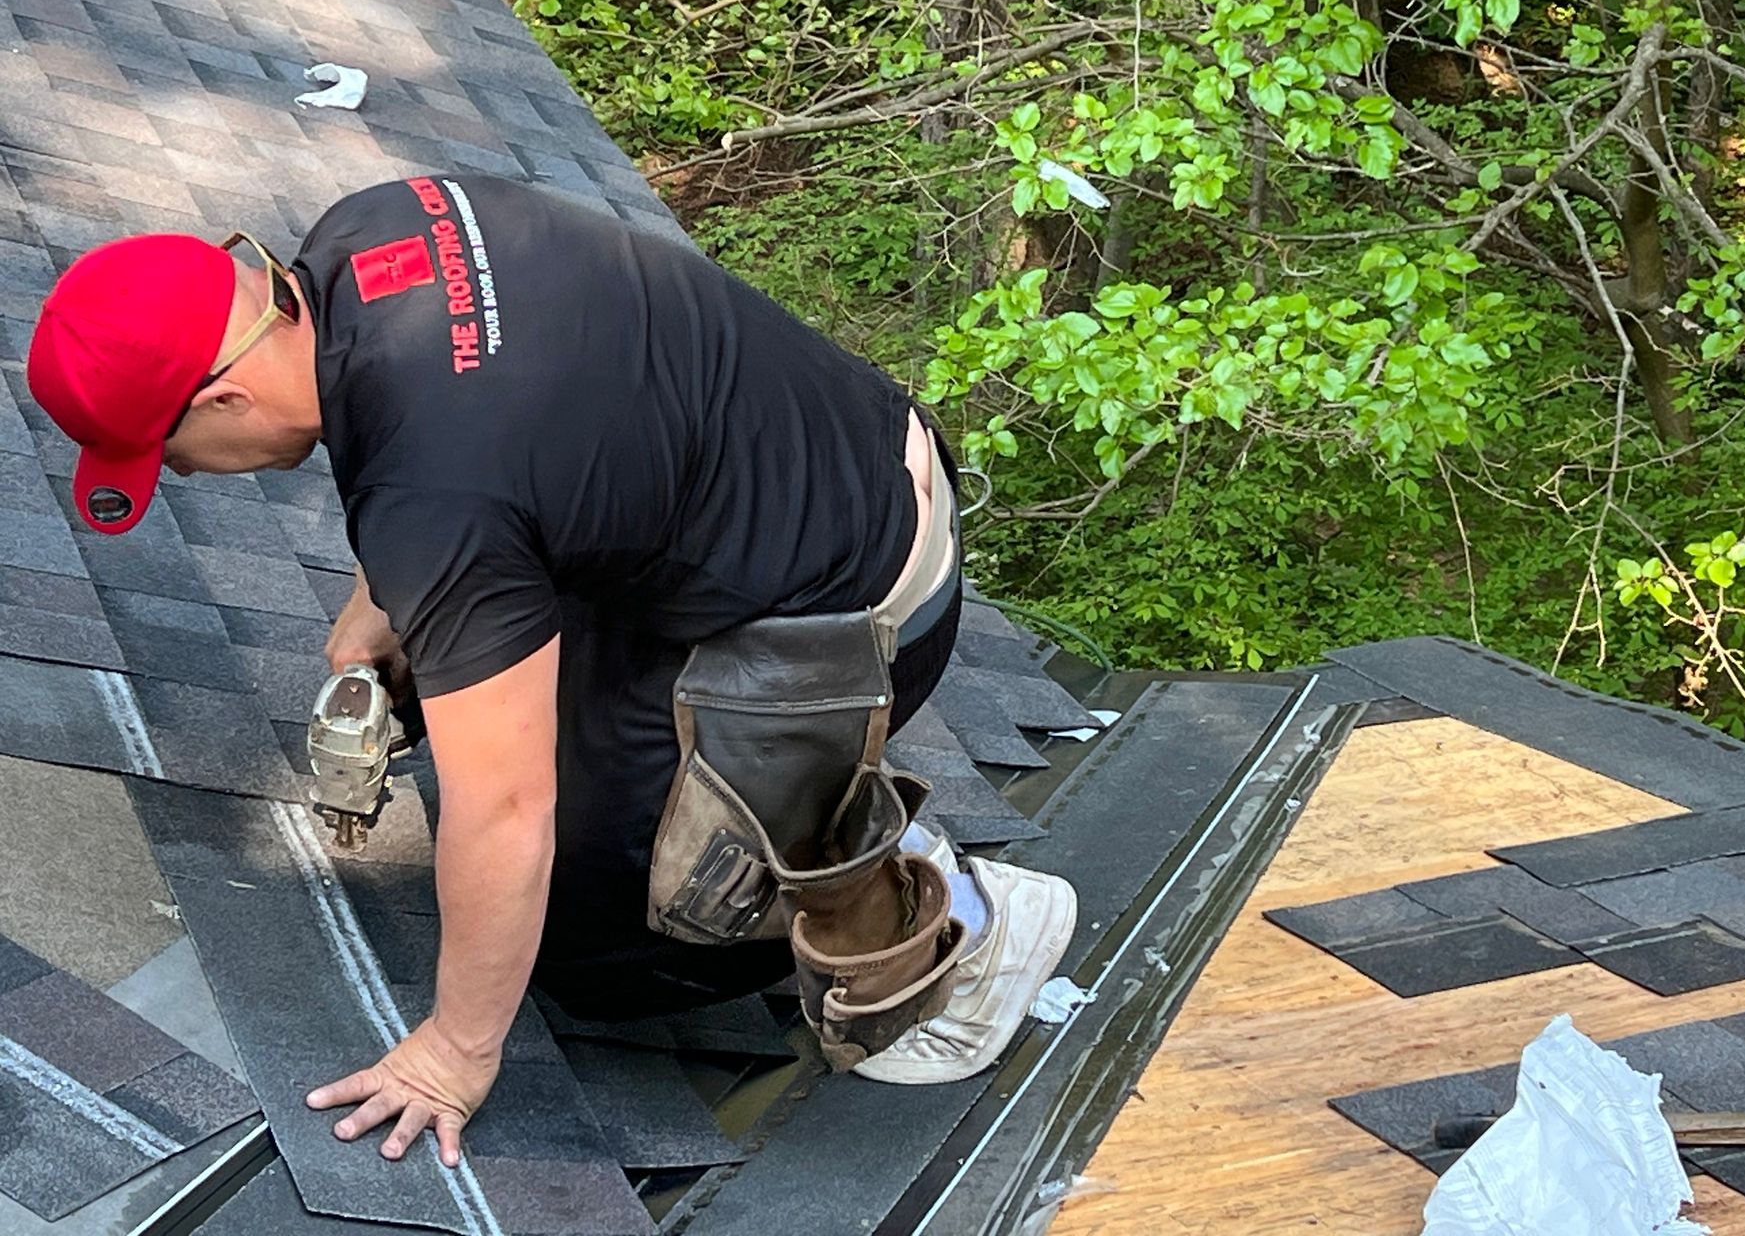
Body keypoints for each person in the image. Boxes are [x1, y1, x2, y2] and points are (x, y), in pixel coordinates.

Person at [26, 175, 1078, 1167]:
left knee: (595, 937)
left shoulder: (445, 493)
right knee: (465, 695)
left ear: (218, 397)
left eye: (164, 455)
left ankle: (945, 913)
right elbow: (496, 433)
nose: (181, 479)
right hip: (835, 468)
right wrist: (388, 597)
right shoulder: (367, 236)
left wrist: (454, 1052)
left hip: (853, 610)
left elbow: (508, 804)